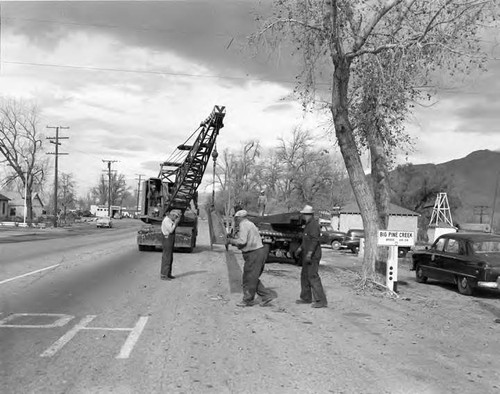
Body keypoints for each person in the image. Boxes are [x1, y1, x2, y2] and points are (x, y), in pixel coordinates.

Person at [228, 209, 276, 307]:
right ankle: (265, 296)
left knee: (248, 277)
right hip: (258, 252)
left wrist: (231, 241)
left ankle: (248, 300)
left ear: (239, 218)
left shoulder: (244, 225)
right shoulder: (250, 224)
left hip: (254, 253)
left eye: (236, 218)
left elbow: (242, 241)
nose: (235, 220)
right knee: (252, 277)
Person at [295, 205, 328, 308]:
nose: (303, 216)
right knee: (304, 276)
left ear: (308, 214)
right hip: (307, 254)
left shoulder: (314, 225)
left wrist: (309, 253)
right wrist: (300, 249)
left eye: (304, 214)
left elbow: (314, 240)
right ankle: (306, 297)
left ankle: (321, 301)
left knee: (313, 276)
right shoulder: (308, 225)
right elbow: (306, 240)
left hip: (313, 255)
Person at [160, 209, 182, 280]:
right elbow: (171, 230)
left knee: (170, 257)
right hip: (167, 240)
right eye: (175, 217)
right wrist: (175, 223)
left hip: (169, 240)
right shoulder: (166, 220)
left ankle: (168, 273)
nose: (176, 218)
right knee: (167, 257)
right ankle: (164, 274)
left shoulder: (169, 220)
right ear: (172, 215)